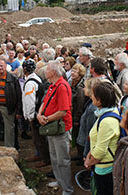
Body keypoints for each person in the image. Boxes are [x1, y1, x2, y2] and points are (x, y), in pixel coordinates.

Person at [37, 61, 73, 194]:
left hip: (60, 127)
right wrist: (40, 114)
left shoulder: (62, 87)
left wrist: (45, 119)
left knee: (62, 159)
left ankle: (67, 188)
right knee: (54, 156)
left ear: (53, 72)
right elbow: (45, 102)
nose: (45, 72)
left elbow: (63, 111)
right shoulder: (53, 85)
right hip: (51, 126)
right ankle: (59, 181)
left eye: (47, 70)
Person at [22, 59, 50, 168]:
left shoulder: (30, 83)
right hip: (38, 112)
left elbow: (30, 101)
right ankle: (40, 154)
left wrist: (30, 116)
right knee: (38, 137)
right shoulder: (36, 78)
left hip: (34, 114)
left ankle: (45, 158)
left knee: (39, 138)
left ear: (24, 70)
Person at [77, 78, 99, 160]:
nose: (83, 89)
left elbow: (90, 133)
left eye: (85, 87)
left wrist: (86, 154)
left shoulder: (92, 108)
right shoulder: (90, 103)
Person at [70, 63, 86, 162]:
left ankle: (81, 155)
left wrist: (77, 118)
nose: (72, 73)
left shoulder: (80, 87)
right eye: (72, 70)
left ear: (80, 74)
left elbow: (80, 104)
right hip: (73, 112)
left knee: (78, 134)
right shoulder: (73, 82)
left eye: (75, 71)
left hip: (77, 114)